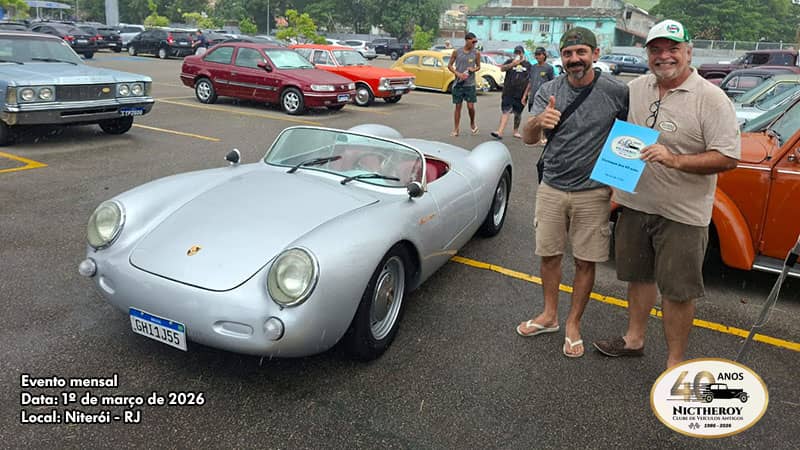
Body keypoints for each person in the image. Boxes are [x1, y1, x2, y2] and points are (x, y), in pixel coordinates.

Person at [593, 20, 740, 368]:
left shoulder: (711, 98)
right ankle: (634, 339)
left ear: (689, 51)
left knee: (678, 291)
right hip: (635, 205)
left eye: (673, 49)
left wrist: (674, 160)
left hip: (683, 215)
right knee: (638, 277)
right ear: (647, 54)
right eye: (656, 50)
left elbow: (728, 157)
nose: (664, 56)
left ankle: (675, 363)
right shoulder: (637, 87)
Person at [517, 27, 628, 358]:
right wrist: (539, 120)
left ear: (595, 54)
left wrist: (619, 184)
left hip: (593, 192)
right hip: (552, 186)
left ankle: (573, 324)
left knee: (585, 261)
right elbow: (527, 138)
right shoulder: (549, 89)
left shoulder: (617, 91)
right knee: (549, 255)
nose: (574, 59)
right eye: (568, 54)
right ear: (561, 57)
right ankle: (549, 315)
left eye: (581, 52)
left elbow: (627, 137)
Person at [491, 45, 532, 139]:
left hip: (521, 93)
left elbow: (530, 80)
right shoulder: (510, 62)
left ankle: (515, 131)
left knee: (518, 113)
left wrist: (526, 94)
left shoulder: (528, 65)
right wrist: (513, 64)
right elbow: (502, 69)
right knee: (506, 111)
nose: (518, 54)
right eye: (516, 53)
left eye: (519, 53)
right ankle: (500, 132)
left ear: (523, 54)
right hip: (508, 91)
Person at [447, 32, 481, 137]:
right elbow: (449, 65)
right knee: (458, 106)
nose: (474, 44)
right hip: (458, 83)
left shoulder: (476, 53)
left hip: (469, 84)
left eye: (476, 42)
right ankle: (456, 129)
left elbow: (478, 66)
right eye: (473, 42)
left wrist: (473, 69)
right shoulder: (457, 52)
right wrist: (457, 73)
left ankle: (472, 123)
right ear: (467, 40)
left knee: (470, 107)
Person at [524, 47, 555, 145]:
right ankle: (534, 138)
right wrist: (525, 95)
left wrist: (551, 96)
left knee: (542, 118)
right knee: (534, 118)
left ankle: (544, 138)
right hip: (533, 96)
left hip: (543, 97)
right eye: (536, 54)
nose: (537, 56)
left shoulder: (549, 68)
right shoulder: (533, 67)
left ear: (544, 55)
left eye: (539, 54)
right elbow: (530, 82)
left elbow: (552, 83)